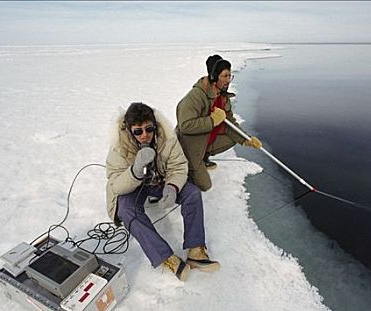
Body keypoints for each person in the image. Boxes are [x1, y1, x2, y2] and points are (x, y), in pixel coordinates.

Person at [105, 102, 220, 281]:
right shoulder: (119, 147)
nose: (145, 135)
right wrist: (136, 170)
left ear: (154, 125)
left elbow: (179, 166)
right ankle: (165, 256)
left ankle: (196, 249)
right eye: (138, 131)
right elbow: (116, 185)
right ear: (129, 130)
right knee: (126, 209)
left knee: (192, 193)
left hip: (160, 180)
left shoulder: (167, 138)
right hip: (134, 185)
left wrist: (172, 187)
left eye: (149, 129)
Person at [176, 54, 262, 191]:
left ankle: (203, 157)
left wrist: (247, 139)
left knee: (233, 137)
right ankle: (186, 167)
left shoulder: (222, 96)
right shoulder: (196, 96)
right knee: (205, 185)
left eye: (230, 76)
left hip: (205, 141)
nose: (229, 80)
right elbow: (185, 125)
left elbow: (230, 122)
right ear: (214, 76)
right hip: (190, 145)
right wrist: (212, 120)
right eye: (225, 76)